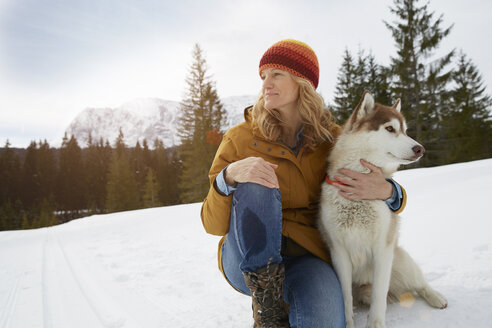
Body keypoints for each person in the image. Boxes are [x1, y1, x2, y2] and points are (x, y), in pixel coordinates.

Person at [200, 39, 405, 328]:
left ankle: (288, 298)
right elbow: (211, 225)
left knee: (323, 321)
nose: (265, 84)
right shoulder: (240, 138)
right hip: (247, 259)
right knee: (257, 179)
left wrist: (388, 191)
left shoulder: (333, 140)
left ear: (303, 82)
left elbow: (379, 173)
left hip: (306, 256)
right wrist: (227, 178)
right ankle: (268, 308)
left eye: (276, 74)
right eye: (263, 76)